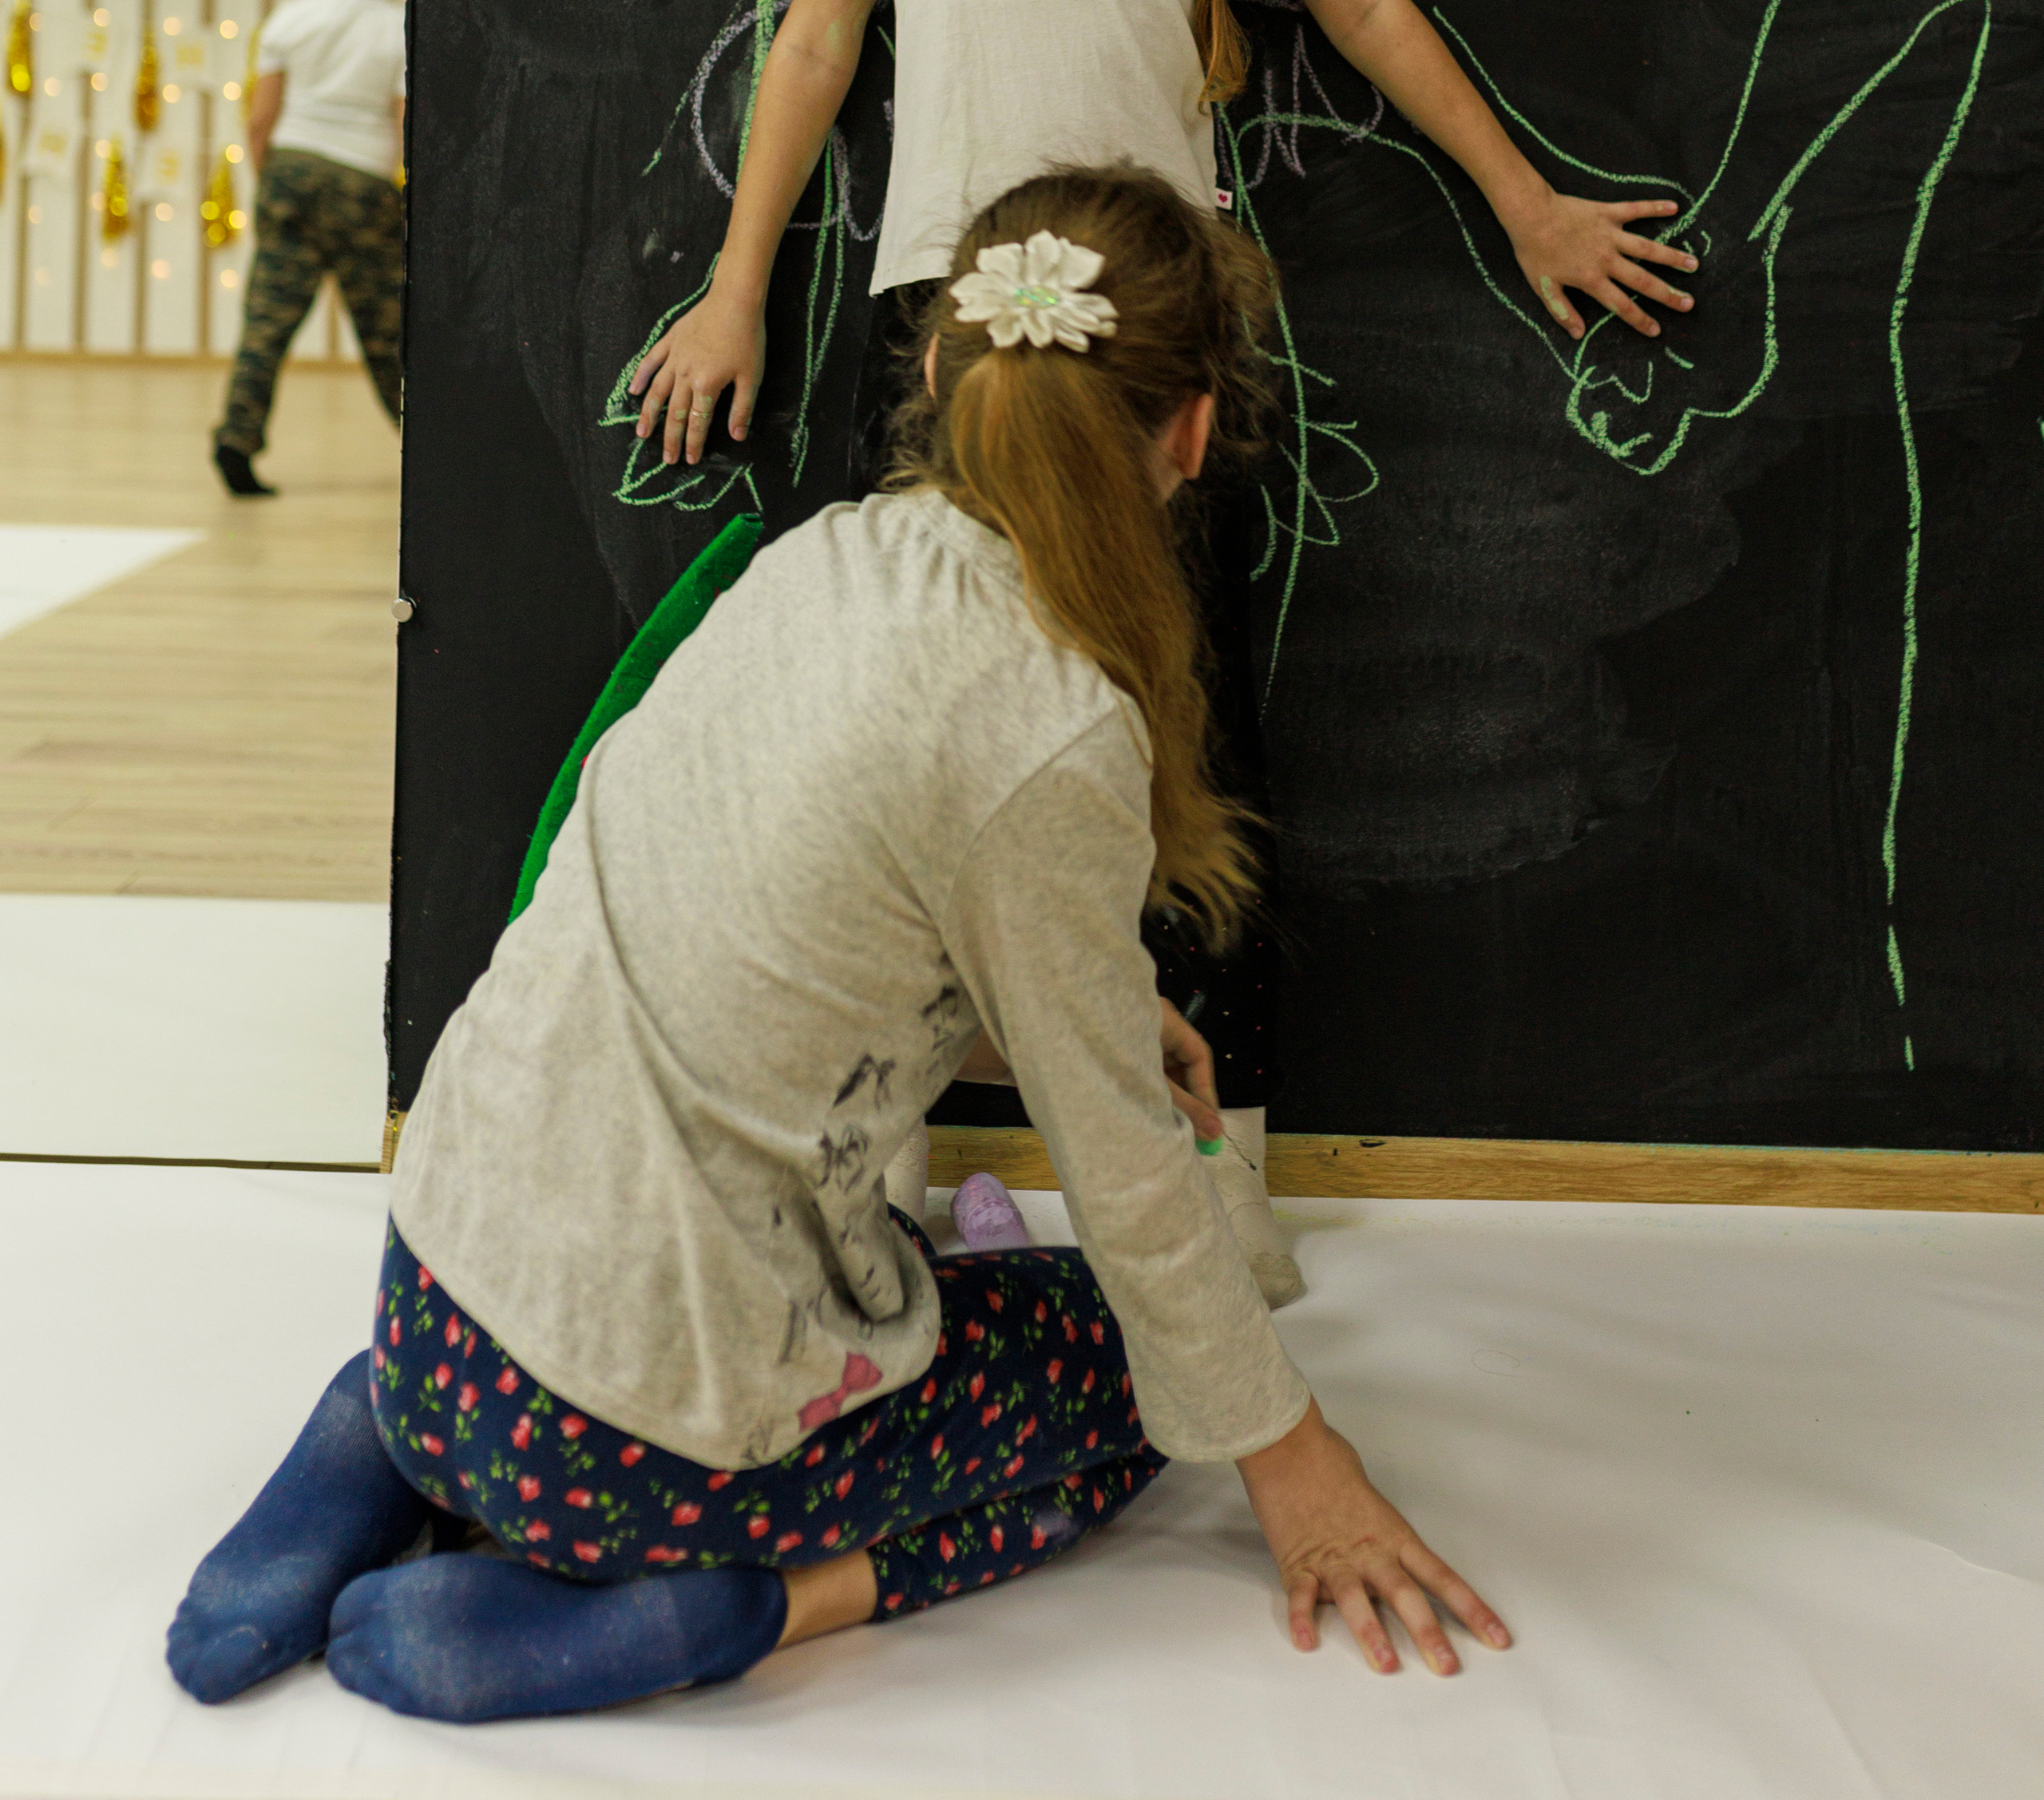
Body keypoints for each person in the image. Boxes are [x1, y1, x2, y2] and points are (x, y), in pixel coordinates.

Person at [167, 166, 1511, 1723]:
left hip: (436, 1296)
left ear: (938, 370)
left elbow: (790, 925)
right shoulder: (1047, 728)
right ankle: (701, 1617)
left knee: (592, 1276)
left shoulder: (815, 562)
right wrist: (1295, 1461)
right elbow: (1135, 1191)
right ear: (1193, 434)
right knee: (1141, 1388)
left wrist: (1082, 1015)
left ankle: (363, 1451)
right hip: (619, 1452)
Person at [630, 0, 1701, 1294]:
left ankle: (1211, 1187)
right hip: (942, 337)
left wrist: (1526, 204)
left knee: (1168, 749)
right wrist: (734, 290)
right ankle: (869, 1161)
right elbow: (810, 53)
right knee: (902, 742)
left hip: (1160, 347)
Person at [212, 0, 406, 498]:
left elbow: (259, 118)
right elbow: (405, 124)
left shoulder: (290, 20)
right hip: (364, 180)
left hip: (292, 171)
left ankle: (236, 441)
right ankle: (425, 446)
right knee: (388, 332)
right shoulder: (401, 26)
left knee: (266, 322)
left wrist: (270, 177)